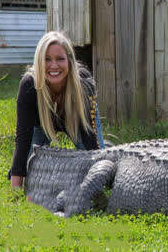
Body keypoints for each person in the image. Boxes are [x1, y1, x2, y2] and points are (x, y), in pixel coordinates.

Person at [9, 31, 105, 188]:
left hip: (77, 122)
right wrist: (15, 187)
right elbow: (23, 138)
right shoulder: (29, 85)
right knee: (29, 168)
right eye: (47, 59)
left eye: (60, 59)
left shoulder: (84, 83)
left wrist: (98, 164)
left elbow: (89, 137)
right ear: (39, 61)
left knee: (95, 161)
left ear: (69, 61)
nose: (53, 65)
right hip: (41, 124)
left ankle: (106, 146)